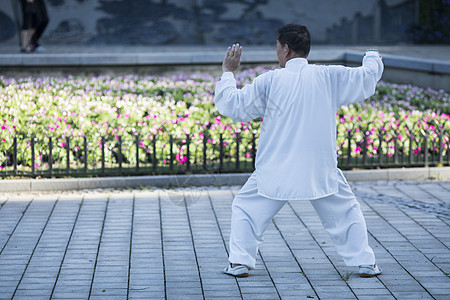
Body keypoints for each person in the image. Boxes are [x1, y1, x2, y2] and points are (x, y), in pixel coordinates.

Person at [214, 24, 384, 278]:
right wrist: (372, 55)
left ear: (286, 48)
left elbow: (233, 105)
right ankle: (366, 263)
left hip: (276, 167)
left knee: (246, 208)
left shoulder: (270, 80)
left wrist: (228, 73)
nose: (276, 51)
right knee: (346, 211)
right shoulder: (328, 76)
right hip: (319, 167)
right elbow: (366, 77)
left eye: (276, 46)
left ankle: (239, 262)